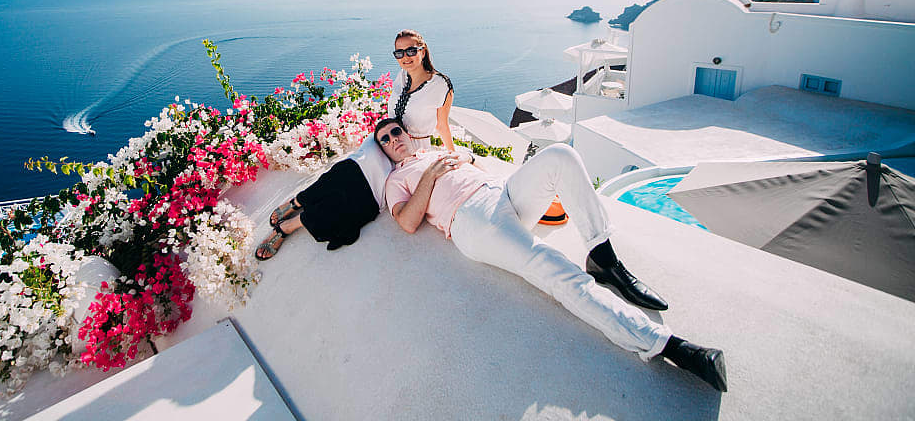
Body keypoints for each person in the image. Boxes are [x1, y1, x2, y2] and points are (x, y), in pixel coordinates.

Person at [375, 117, 728, 392]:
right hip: (472, 218)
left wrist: (457, 160)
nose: (393, 140)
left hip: (502, 193)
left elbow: (472, 165)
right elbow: (407, 222)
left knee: (561, 155)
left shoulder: (436, 152)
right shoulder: (397, 179)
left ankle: (603, 257)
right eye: (386, 141)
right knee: (556, 270)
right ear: (387, 153)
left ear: (407, 134)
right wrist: (431, 177)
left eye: (395, 133)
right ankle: (669, 347)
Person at [255, 134, 393, 259]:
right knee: (336, 179)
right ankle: (296, 203)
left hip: (378, 189)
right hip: (362, 162)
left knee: (340, 208)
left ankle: (288, 225)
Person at [386, 29, 455, 151]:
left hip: (417, 151)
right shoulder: (401, 76)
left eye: (411, 51)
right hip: (390, 146)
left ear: (422, 52)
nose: (405, 57)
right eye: (399, 53)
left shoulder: (440, 84)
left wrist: (453, 153)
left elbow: (442, 125)